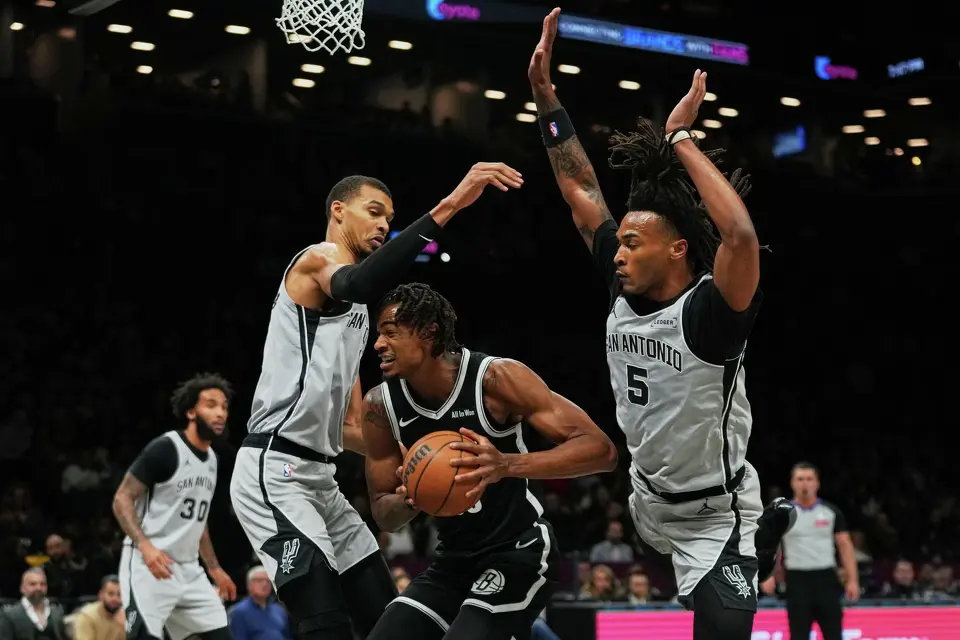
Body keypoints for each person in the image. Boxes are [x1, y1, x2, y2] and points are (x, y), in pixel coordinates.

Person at [527, 9, 795, 639]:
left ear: (675, 250)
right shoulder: (620, 285)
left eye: (632, 243)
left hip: (714, 512)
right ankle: (759, 549)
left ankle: (754, 545)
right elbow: (580, 188)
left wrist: (679, 138)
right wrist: (546, 98)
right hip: (646, 500)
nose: (616, 252)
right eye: (616, 243)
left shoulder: (709, 315)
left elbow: (740, 234)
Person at [229, 165, 523, 640]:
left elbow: (351, 425)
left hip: (321, 478)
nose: (385, 225)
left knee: (386, 617)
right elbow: (357, 283)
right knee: (325, 624)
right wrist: (450, 204)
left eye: (390, 217)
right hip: (273, 468)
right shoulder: (315, 262)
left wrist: (419, 457)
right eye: (374, 212)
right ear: (338, 211)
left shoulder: (360, 318)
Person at [362, 283, 618, 640]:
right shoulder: (379, 406)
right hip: (453, 560)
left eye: (390, 332)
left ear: (428, 332)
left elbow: (601, 451)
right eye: (378, 334)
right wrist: (411, 497)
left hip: (520, 551)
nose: (378, 344)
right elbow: (382, 514)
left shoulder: (494, 379)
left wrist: (506, 464)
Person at [112, 374, 236, 640]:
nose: (220, 413)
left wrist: (214, 568)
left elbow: (196, 522)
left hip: (189, 570)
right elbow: (122, 498)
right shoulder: (166, 448)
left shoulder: (212, 459)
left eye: (224, 407)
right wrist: (145, 547)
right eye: (211, 405)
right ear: (191, 412)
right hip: (151, 566)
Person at [761, 462, 857, 640]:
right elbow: (769, 544)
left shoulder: (831, 512)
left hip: (826, 579)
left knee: (833, 634)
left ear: (817, 483)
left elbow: (845, 546)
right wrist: (768, 576)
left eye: (809, 479)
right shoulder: (783, 514)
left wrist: (852, 580)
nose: (805, 484)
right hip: (797, 582)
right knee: (798, 634)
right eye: (800, 479)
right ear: (792, 483)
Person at [0, 568, 67, 640]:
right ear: (22, 588)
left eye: (42, 584)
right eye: (33, 584)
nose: (38, 588)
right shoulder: (9, 615)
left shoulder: (57, 612)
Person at [228, 566, 292, 640]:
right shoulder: (238, 612)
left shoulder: (279, 610)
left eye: (267, 581)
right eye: (259, 580)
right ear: (249, 585)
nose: (265, 584)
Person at [72, 575, 125, 640]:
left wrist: (126, 626)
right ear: (101, 595)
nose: (115, 599)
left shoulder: (125, 618)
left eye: (119, 595)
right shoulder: (87, 617)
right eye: (111, 594)